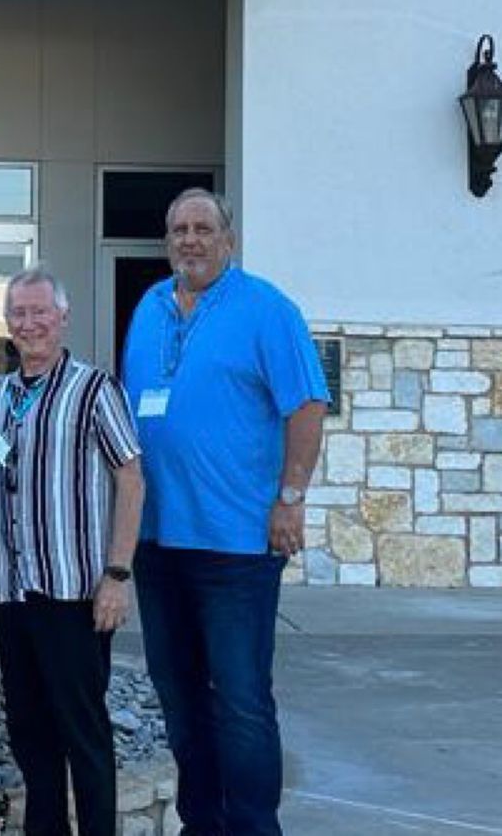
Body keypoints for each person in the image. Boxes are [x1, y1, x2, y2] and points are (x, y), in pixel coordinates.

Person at [121, 189, 328, 836]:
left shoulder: (267, 309)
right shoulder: (150, 308)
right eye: (179, 229)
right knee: (180, 700)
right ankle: (200, 823)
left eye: (203, 228)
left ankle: (254, 826)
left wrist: (289, 497)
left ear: (228, 239)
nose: (190, 239)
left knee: (239, 700)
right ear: (167, 240)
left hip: (236, 545)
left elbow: (308, 406)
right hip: (157, 541)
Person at [0, 267, 143, 836]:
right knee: (30, 733)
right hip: (13, 592)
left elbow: (131, 480)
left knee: (84, 735)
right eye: (18, 314)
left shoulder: (95, 389)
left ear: (62, 316)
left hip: (74, 593)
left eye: (39, 312)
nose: (29, 324)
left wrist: (117, 575)